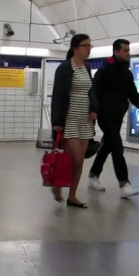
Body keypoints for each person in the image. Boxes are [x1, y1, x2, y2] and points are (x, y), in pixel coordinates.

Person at [88, 39, 139, 199]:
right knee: (117, 146)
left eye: (128, 50)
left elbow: (133, 94)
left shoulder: (126, 73)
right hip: (104, 116)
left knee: (107, 145)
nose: (128, 53)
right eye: (125, 50)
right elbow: (93, 93)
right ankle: (124, 184)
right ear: (116, 51)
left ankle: (93, 175)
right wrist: (94, 111)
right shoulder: (104, 71)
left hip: (117, 116)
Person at [50, 33, 98, 208]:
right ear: (75, 48)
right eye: (86, 45)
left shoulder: (87, 68)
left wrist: (94, 109)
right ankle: (57, 183)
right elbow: (58, 95)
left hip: (84, 119)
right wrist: (56, 121)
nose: (89, 49)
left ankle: (72, 195)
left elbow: (90, 91)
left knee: (81, 159)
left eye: (90, 46)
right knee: (76, 158)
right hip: (69, 118)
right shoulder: (64, 68)